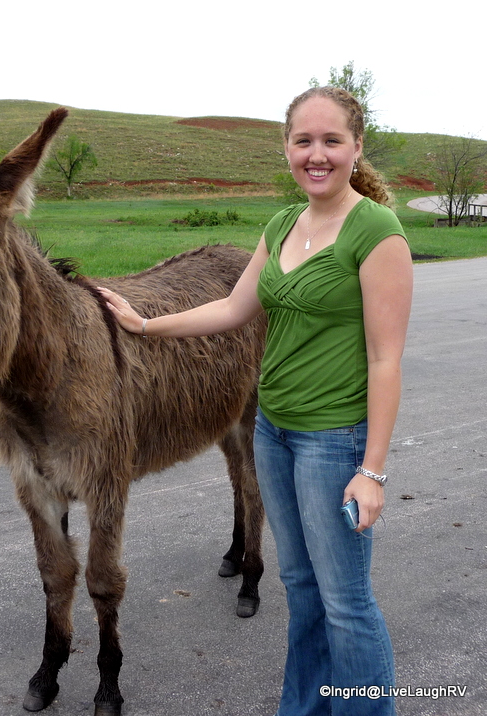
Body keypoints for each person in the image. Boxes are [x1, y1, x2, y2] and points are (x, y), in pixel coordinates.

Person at [98, 86, 413, 716]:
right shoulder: (282, 225)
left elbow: (386, 361)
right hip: (274, 435)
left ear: (356, 147)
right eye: (303, 141)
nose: (316, 154)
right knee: (301, 589)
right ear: (287, 148)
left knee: (346, 603)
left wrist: (372, 471)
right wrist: (144, 325)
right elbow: (233, 308)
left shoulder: (377, 232)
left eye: (331, 140)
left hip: (335, 442)